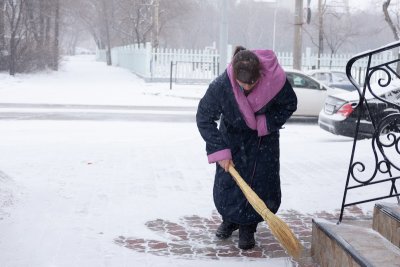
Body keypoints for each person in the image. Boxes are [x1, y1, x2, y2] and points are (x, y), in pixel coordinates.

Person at [196, 46, 297, 250]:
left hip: (263, 142)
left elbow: (289, 104)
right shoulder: (222, 86)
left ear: (260, 73)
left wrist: (265, 122)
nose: (249, 88)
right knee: (230, 184)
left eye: (253, 83)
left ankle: (248, 227)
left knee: (258, 184)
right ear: (234, 77)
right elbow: (204, 117)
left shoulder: (275, 80)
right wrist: (219, 150)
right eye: (244, 85)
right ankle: (229, 220)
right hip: (232, 141)